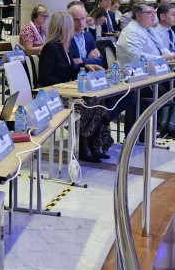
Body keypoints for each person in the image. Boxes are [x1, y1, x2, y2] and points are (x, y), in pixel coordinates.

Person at [35, 14, 115, 161]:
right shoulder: (51, 47)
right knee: (91, 106)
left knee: (99, 102)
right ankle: (86, 143)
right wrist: (66, 84)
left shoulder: (65, 46)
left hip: (64, 92)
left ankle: (95, 144)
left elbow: (71, 70)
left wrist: (86, 67)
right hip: (52, 96)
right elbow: (45, 77)